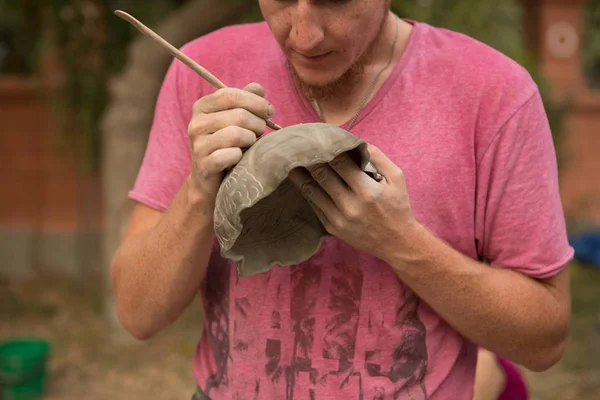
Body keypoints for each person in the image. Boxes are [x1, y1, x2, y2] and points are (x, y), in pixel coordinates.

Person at [109, 0, 574, 398]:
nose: (305, 35)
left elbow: (544, 341)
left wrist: (401, 241)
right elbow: (137, 312)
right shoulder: (203, 69)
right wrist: (197, 191)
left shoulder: (492, 93)